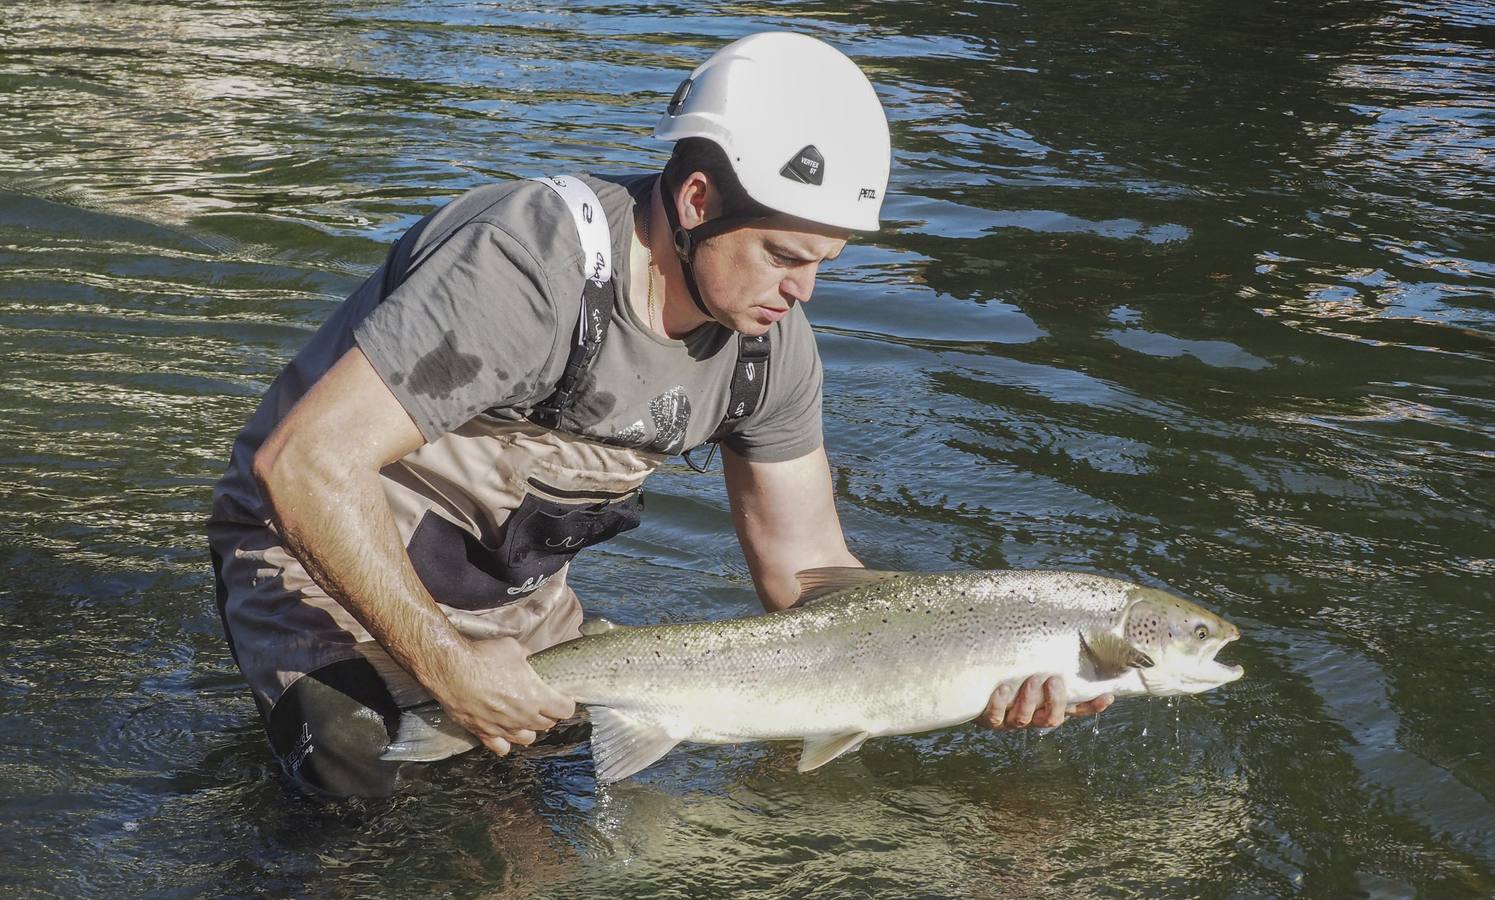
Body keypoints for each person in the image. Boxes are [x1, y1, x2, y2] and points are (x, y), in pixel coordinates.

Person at [206, 31, 1112, 799]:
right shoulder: (526, 268)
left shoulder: (771, 346)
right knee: (356, 776)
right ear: (695, 201)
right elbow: (305, 468)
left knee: (542, 814)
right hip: (316, 562)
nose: (800, 292)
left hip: (518, 610)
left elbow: (809, 575)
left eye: (824, 263)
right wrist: (446, 667)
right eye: (782, 255)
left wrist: (971, 668)